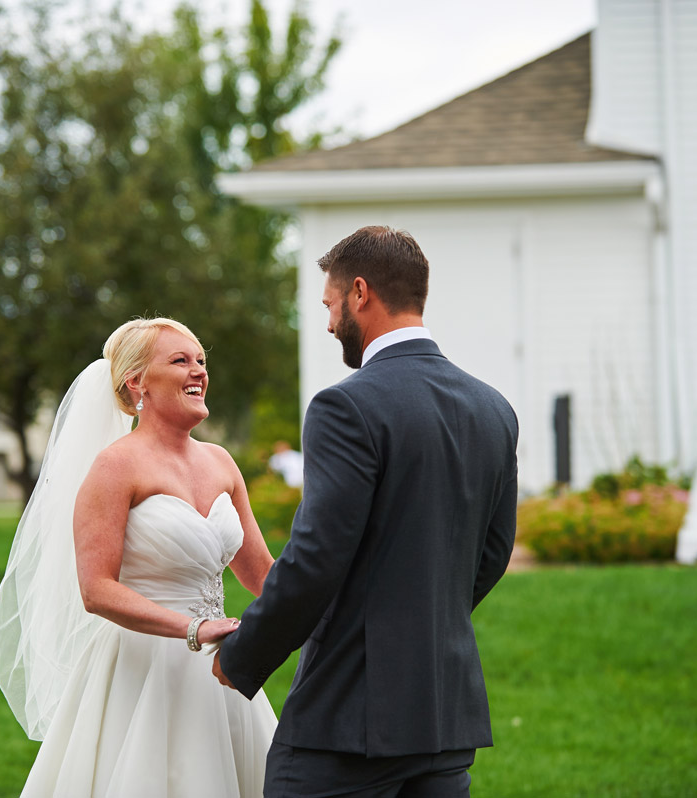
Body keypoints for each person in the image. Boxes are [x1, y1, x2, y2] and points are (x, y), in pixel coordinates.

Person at [214, 226, 520, 797]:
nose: (329, 324)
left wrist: (243, 655)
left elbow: (315, 558)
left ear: (360, 293)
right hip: (443, 715)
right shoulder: (493, 408)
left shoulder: (345, 406)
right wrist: (419, 623)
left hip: (349, 719)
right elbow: (493, 553)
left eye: (329, 305)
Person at [0, 317, 278, 797]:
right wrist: (193, 628)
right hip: (143, 669)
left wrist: (332, 607)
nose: (199, 372)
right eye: (181, 361)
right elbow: (96, 589)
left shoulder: (221, 462)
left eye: (202, 361)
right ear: (137, 382)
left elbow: (263, 574)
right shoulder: (114, 466)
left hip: (223, 672)